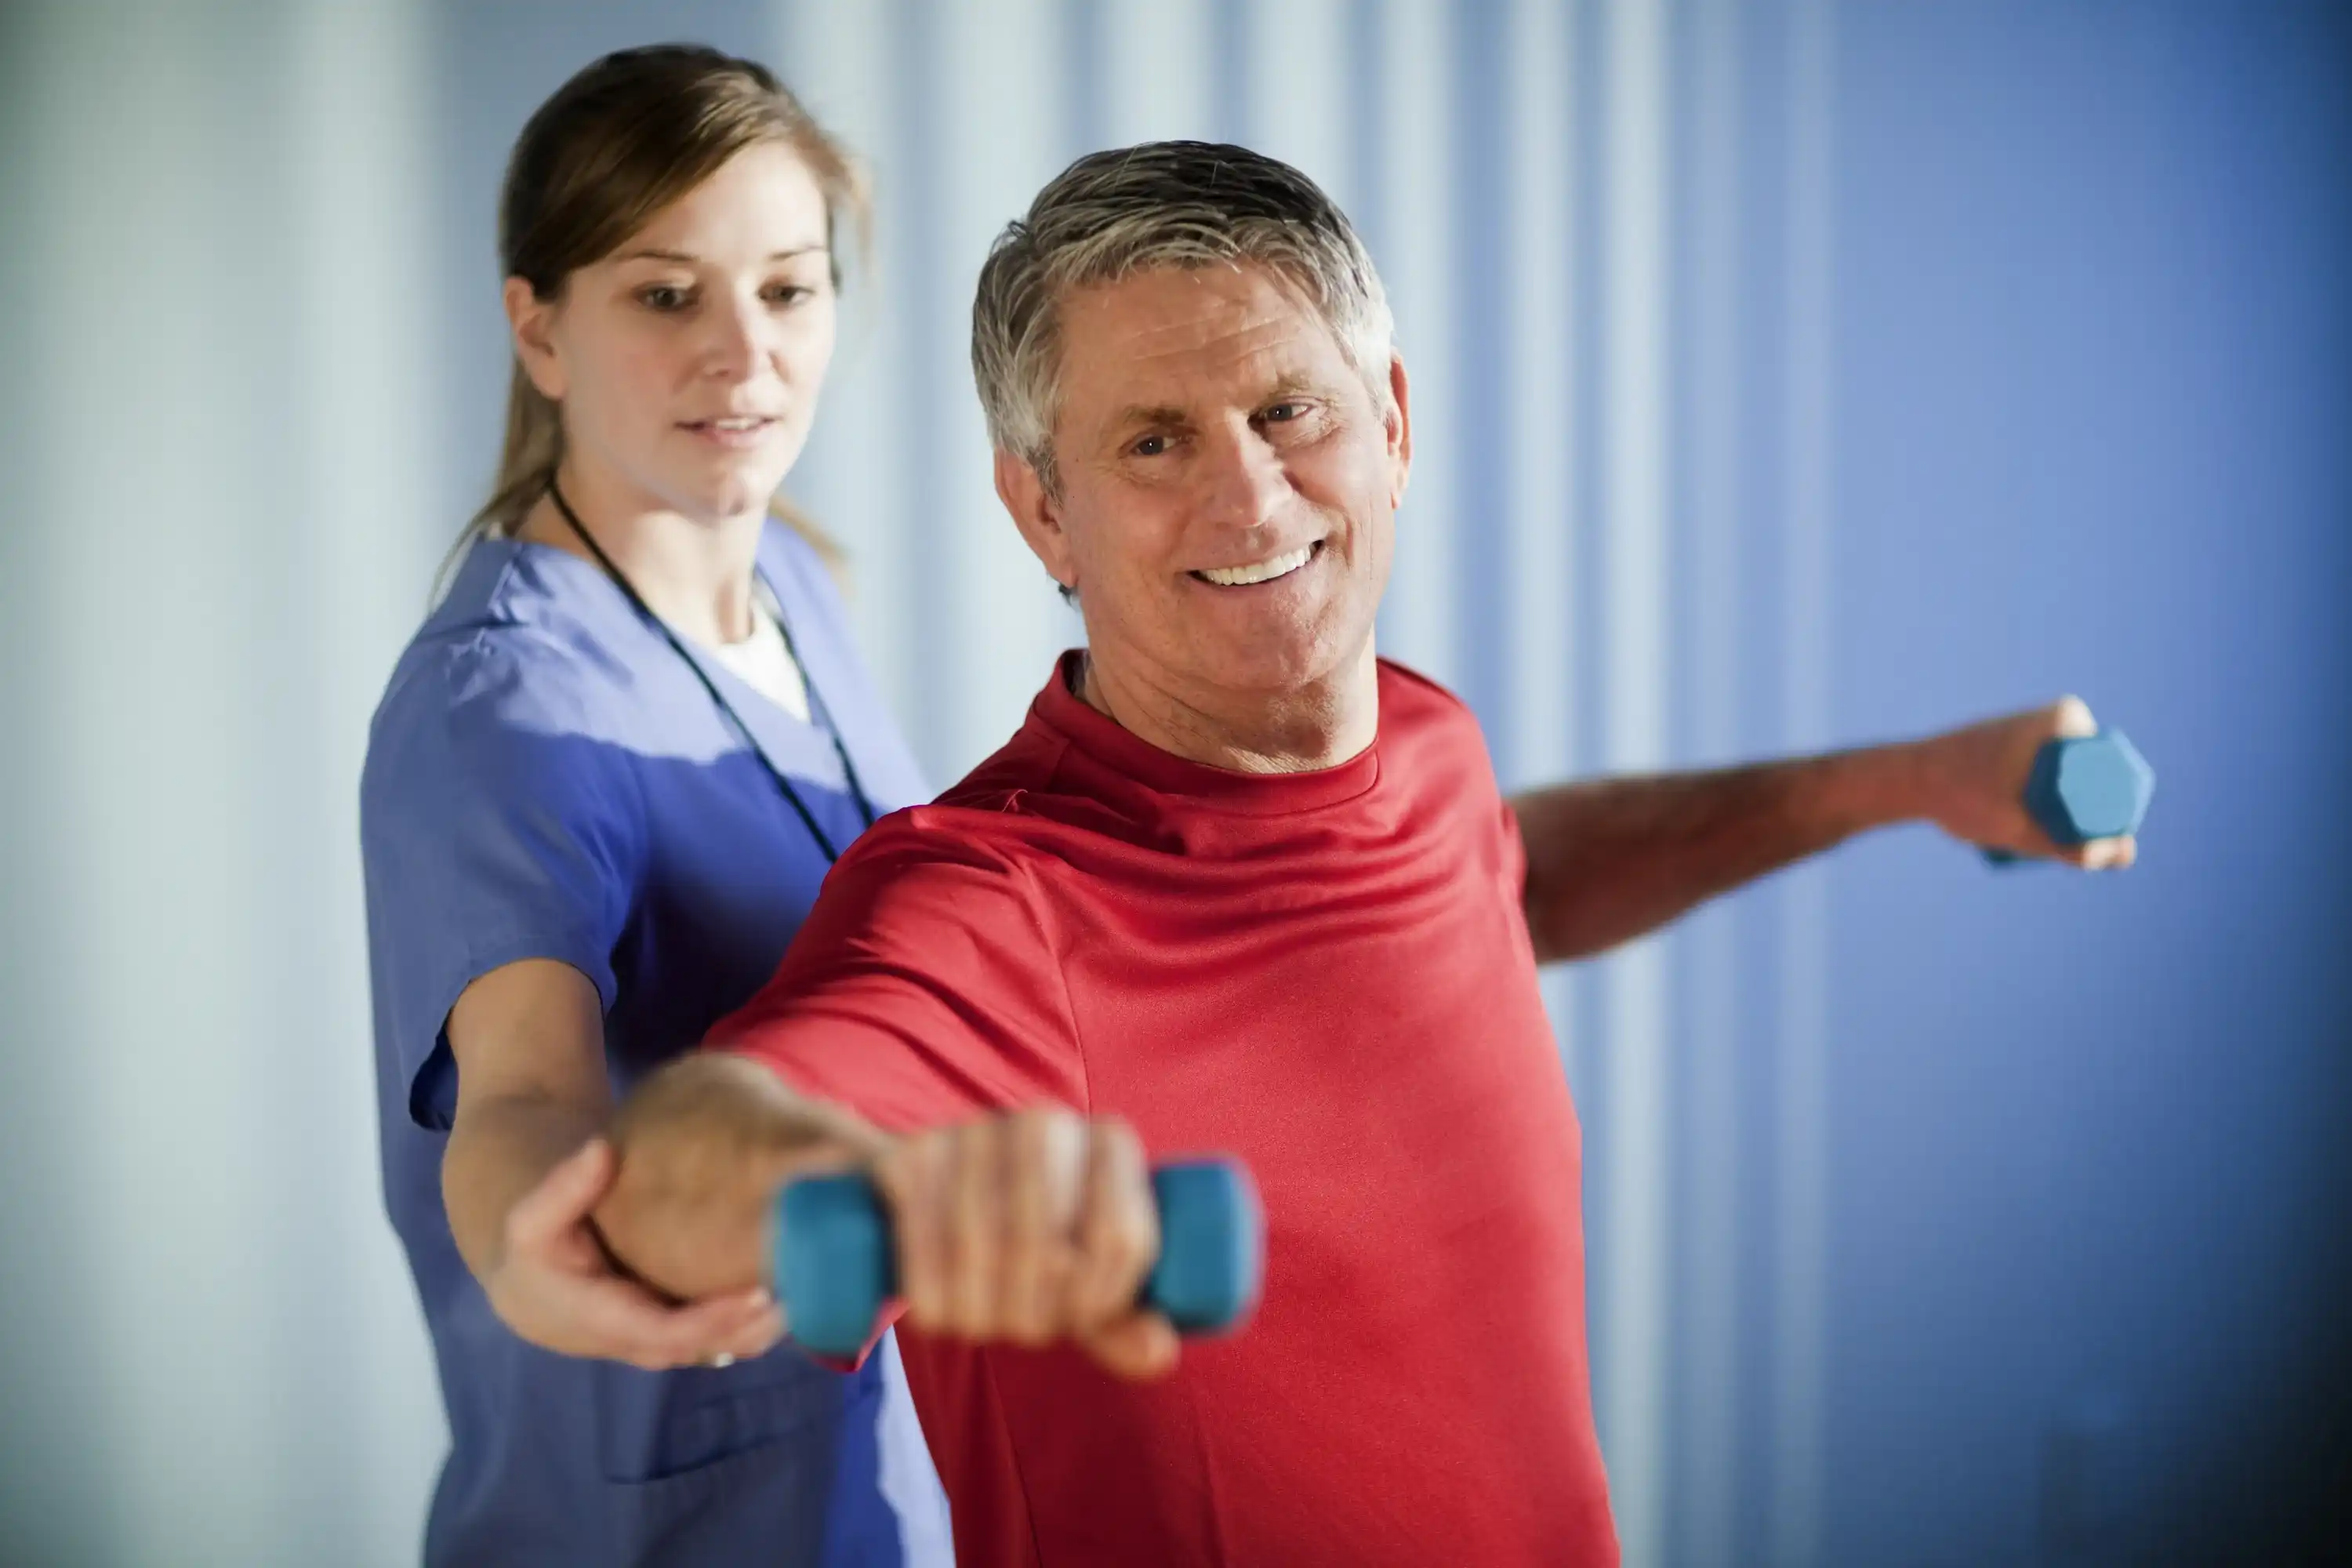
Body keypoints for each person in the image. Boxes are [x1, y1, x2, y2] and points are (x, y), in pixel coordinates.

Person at [586, 140, 2139, 1567]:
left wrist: (1906, 781)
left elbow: (1506, 875)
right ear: (1042, 510)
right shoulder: (992, 898)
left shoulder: (1423, 744)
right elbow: (699, 1152)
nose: (1248, 489)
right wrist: (885, 1193)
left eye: (1288, 410)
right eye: (1152, 440)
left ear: (1389, 423)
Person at [360, 45, 952, 1566]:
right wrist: (527, 1236)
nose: (745, 358)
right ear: (539, 329)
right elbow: (520, 1084)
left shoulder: (800, 589)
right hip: (642, 1513)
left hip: (852, 1471)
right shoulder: (506, 706)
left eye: (790, 289)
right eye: (665, 292)